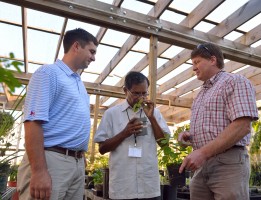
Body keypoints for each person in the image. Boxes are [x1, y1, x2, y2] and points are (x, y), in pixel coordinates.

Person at [17, 28, 98, 200]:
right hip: (52, 160)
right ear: (76, 46)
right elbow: (33, 122)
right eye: (91, 51)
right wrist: (39, 171)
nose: (94, 58)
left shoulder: (78, 82)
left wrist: (79, 154)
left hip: (75, 163)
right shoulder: (48, 73)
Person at [178, 42, 258, 200]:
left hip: (227, 163)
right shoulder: (201, 94)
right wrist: (189, 136)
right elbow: (212, 128)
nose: (193, 68)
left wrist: (202, 152)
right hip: (203, 165)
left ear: (213, 60)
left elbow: (242, 126)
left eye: (197, 62)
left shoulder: (235, 81)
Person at [94, 71, 170, 200]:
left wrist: (151, 118)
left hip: (149, 188)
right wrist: (124, 133)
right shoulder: (111, 114)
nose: (141, 97)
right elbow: (102, 149)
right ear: (125, 90)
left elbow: (164, 144)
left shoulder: (154, 113)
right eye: (136, 93)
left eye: (144, 93)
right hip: (123, 188)